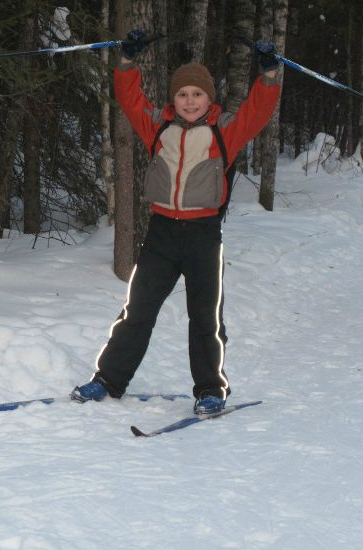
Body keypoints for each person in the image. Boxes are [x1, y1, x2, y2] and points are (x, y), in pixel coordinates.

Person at [71, 31, 281, 415]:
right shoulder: (157, 127)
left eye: (197, 95)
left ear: (208, 99)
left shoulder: (225, 131)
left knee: (205, 318)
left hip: (203, 236)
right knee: (137, 310)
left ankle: (209, 390)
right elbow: (129, 98)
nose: (189, 101)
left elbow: (258, 111)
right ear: (174, 99)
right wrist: (127, 62)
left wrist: (268, 74)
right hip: (162, 234)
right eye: (182, 95)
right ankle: (107, 380)